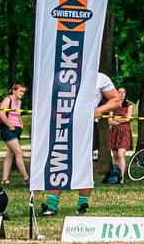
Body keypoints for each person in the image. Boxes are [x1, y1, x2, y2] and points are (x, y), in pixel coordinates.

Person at [41, 72, 116, 215]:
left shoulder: (100, 77)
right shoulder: (61, 73)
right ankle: (51, 206)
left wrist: (99, 110)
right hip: (63, 124)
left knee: (88, 164)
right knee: (58, 160)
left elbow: (116, 99)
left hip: (88, 126)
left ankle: (83, 205)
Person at [0, 83, 27, 185]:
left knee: (9, 155)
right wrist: (10, 126)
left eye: (23, 92)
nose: (22, 93)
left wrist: (21, 125)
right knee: (19, 153)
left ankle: (5, 179)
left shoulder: (19, 102)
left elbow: (18, 115)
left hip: (17, 130)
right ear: (14, 91)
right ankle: (26, 178)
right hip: (8, 130)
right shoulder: (8, 99)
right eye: (20, 91)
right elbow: (1, 114)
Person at [105, 85, 135, 184]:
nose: (121, 94)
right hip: (114, 131)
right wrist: (120, 120)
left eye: (123, 92)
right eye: (119, 92)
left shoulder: (129, 105)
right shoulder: (113, 105)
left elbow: (128, 119)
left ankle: (122, 177)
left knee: (121, 154)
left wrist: (116, 119)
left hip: (124, 131)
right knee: (115, 155)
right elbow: (109, 121)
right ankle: (116, 176)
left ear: (126, 94)